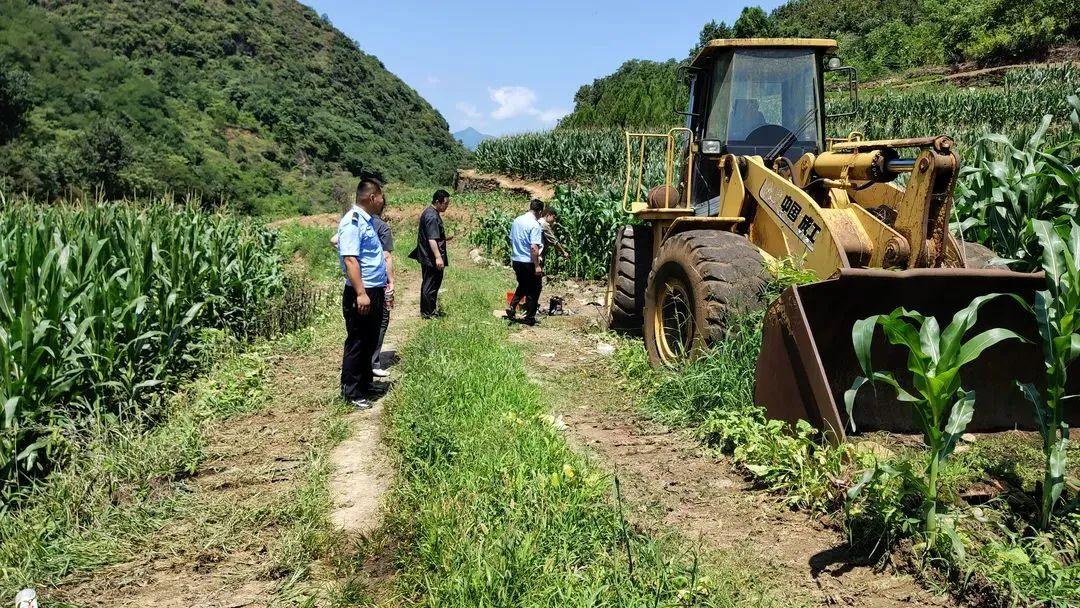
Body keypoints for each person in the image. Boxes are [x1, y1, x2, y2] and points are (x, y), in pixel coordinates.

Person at [336, 178, 388, 409]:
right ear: (371, 197)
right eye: (381, 196)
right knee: (357, 341)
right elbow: (350, 259)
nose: (383, 200)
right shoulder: (353, 222)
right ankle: (352, 391)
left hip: (373, 290)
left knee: (369, 339)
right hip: (362, 292)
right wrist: (360, 293)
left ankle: (366, 383)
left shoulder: (367, 221)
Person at [410, 189, 450, 318]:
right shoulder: (432, 216)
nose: (447, 206)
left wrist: (444, 238)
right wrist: (438, 257)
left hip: (427, 255)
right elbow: (431, 238)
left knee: (430, 283)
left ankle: (428, 310)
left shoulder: (431, 212)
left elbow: (433, 236)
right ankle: (428, 313)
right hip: (430, 257)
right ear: (438, 202)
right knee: (431, 284)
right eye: (445, 203)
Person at [506, 199, 545, 325]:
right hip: (528, 261)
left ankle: (512, 306)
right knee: (535, 288)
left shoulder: (517, 220)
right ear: (539, 211)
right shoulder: (535, 225)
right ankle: (529, 317)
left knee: (523, 285)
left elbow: (511, 239)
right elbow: (534, 247)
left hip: (516, 260)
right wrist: (537, 266)